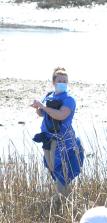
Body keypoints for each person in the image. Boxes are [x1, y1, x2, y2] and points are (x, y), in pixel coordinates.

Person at [31, 67, 84, 198]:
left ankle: (64, 199)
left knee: (63, 171)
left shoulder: (69, 99)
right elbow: (42, 113)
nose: (62, 83)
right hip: (48, 140)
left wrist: (44, 107)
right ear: (54, 82)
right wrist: (38, 108)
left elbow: (61, 115)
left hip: (63, 141)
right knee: (52, 168)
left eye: (65, 81)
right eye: (60, 80)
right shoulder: (49, 95)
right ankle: (63, 198)